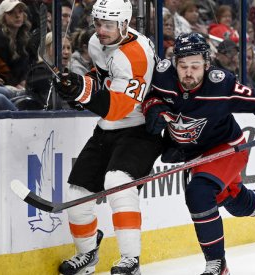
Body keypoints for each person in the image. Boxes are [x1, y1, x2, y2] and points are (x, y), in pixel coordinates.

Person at [143, 32, 255, 275]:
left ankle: (217, 265)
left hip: (226, 149)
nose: (189, 73)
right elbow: (150, 97)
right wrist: (153, 108)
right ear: (174, 63)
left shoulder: (221, 85)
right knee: (238, 203)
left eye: (196, 66)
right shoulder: (161, 77)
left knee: (198, 193)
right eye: (183, 66)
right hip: (194, 155)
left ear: (207, 64)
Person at [53, 0, 162, 274]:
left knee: (118, 183)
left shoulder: (135, 55)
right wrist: (77, 83)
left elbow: (117, 108)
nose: (101, 30)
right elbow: (103, 79)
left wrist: (81, 94)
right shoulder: (96, 42)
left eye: (108, 25)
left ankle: (130, 259)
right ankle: (87, 254)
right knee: (77, 196)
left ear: (125, 24)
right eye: (98, 23)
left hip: (141, 130)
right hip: (108, 129)